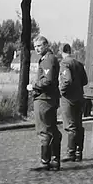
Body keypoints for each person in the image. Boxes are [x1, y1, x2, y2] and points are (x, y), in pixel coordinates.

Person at [27, 35, 62, 171]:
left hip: (44, 99)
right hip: (49, 98)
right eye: (35, 46)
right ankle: (54, 160)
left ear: (46, 45)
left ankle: (45, 161)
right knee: (52, 130)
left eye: (39, 46)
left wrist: (33, 85)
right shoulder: (49, 59)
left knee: (44, 131)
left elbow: (47, 80)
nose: (37, 49)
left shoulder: (47, 60)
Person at [59, 43, 89, 162]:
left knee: (70, 126)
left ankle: (70, 152)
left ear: (61, 51)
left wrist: (61, 91)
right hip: (79, 98)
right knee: (78, 125)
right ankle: (78, 152)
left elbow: (67, 80)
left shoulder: (64, 63)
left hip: (68, 99)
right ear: (70, 50)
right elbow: (85, 81)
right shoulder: (79, 64)